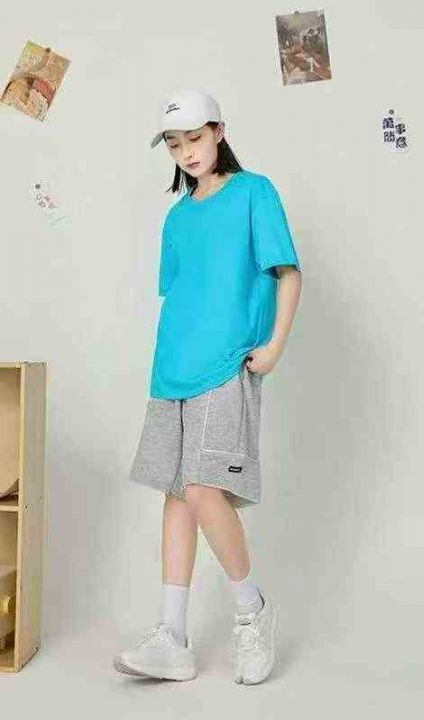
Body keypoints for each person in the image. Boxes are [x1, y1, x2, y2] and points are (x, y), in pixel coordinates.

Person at [113, 89, 302, 684]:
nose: (187, 152)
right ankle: (172, 637)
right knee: (176, 493)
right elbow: (181, 294)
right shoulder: (177, 217)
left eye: (194, 138)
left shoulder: (254, 193)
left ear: (219, 131)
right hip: (171, 368)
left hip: (226, 366)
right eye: (174, 144)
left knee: (202, 488)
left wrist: (274, 346)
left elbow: (287, 273)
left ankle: (252, 611)